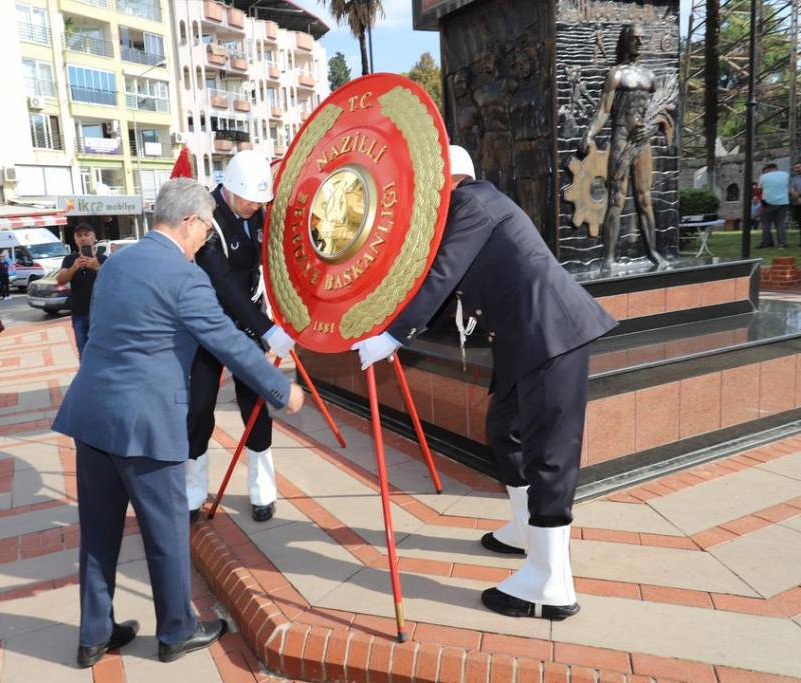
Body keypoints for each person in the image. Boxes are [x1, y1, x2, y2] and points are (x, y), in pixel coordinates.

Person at [354, 146, 616, 621]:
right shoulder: (476, 206)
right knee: (504, 429)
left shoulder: (473, 203)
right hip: (528, 342)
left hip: (551, 336)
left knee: (549, 457)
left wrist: (393, 336)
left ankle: (550, 583)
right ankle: (524, 530)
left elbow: (440, 275)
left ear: (449, 180)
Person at [52, 178, 305, 668]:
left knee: (99, 534)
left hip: (91, 414)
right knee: (165, 534)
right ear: (189, 222)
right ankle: (176, 631)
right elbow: (227, 341)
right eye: (207, 229)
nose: (207, 238)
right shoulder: (184, 275)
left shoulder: (118, 262)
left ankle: (94, 635)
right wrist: (280, 390)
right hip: (146, 423)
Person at [185, 149, 296, 523]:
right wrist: (268, 330)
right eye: (249, 199)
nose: (254, 206)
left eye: (260, 201)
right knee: (199, 408)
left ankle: (263, 490)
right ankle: (192, 491)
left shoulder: (259, 210)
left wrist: (271, 321)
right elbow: (224, 284)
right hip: (208, 323)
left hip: (248, 321)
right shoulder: (208, 219)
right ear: (229, 189)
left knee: (255, 404)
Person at [579, 23, 672, 270]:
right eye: (635, 38)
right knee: (616, 199)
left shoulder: (650, 77)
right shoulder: (616, 74)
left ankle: (653, 252)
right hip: (621, 139)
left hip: (642, 143)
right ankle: (608, 258)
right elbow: (603, 111)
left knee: (645, 198)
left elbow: (660, 111)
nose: (639, 43)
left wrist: (654, 126)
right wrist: (589, 134)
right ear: (625, 41)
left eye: (642, 38)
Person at [57, 224, 106, 356]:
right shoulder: (69, 260)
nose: (83, 238)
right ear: (75, 239)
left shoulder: (103, 259)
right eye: (79, 235)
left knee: (103, 351)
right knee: (83, 351)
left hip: (101, 313)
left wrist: (97, 267)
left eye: (87, 234)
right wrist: (73, 268)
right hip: (79, 313)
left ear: (94, 237)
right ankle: (87, 376)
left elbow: (114, 281)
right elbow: (61, 280)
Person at [758, 162, 790, 249]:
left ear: (768, 169)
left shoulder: (764, 176)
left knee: (766, 224)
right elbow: (788, 186)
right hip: (783, 202)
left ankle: (765, 243)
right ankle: (782, 243)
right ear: (777, 168)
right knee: (780, 223)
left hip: (768, 202)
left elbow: (760, 189)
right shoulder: (785, 174)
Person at [789, 161, 801, 238]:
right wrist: (798, 197)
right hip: (798, 202)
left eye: (798, 167)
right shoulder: (794, 178)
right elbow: (792, 190)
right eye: (795, 168)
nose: (796, 169)